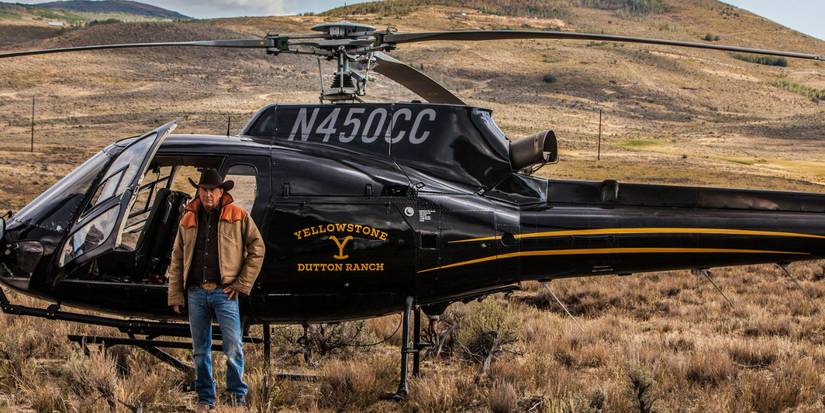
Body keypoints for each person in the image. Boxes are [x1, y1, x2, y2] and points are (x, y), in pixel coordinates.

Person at [167, 168, 265, 411]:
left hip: (225, 293)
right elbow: (177, 258)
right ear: (198, 191)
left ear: (221, 192)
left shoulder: (238, 215)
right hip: (196, 293)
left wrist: (242, 283)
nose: (208, 194)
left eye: (213, 190)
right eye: (204, 190)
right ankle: (205, 398)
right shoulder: (188, 218)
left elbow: (257, 248)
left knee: (233, 346)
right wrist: (176, 294)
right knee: (200, 350)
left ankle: (236, 397)